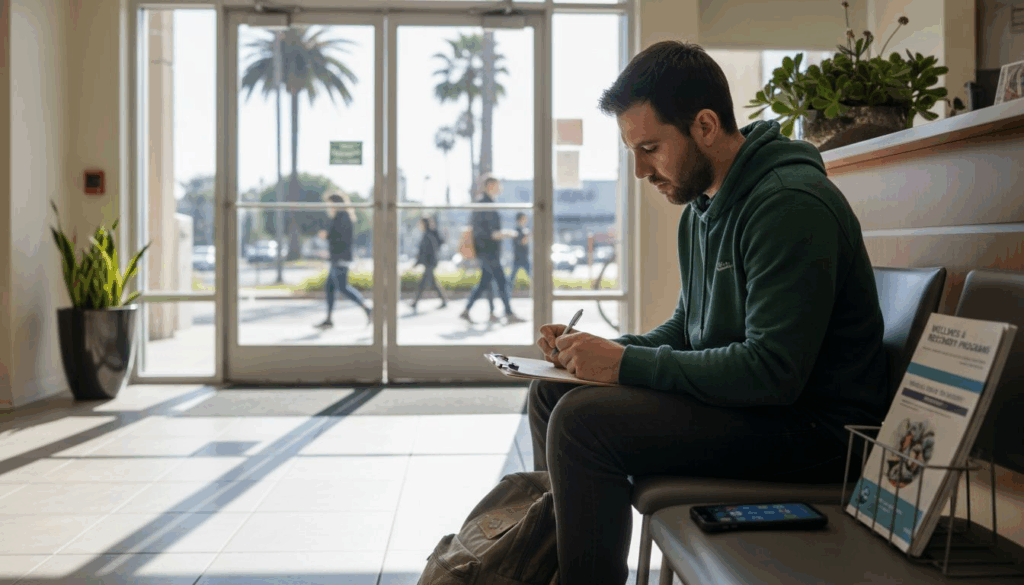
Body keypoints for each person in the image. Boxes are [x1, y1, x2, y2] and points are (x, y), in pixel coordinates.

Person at [527, 41, 888, 584]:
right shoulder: (702, 209)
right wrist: (596, 353)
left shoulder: (790, 204)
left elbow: (772, 371)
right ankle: (548, 566)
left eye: (650, 148)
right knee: (551, 392)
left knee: (582, 424)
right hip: (757, 411)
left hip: (815, 433)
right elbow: (687, 329)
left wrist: (623, 365)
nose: (639, 171)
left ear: (705, 125)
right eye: (632, 151)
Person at [460, 175, 526, 325]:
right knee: (501, 281)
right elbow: (484, 231)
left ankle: (467, 311)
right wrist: (504, 234)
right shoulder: (484, 204)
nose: (500, 188)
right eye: (497, 185)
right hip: (487, 250)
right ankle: (508, 313)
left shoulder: (487, 203)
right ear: (490, 185)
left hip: (489, 250)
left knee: (485, 282)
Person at [316, 190, 372, 329]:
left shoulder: (342, 217)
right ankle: (329, 319)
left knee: (342, 287)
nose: (328, 207)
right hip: (337, 257)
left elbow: (340, 239)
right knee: (330, 288)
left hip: (340, 258)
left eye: (330, 204)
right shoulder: (342, 217)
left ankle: (368, 309)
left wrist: (327, 236)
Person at [410, 216, 448, 311]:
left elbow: (424, 252)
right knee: (432, 283)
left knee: (423, 283)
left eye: (420, 223)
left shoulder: (428, 235)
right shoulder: (429, 234)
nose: (419, 225)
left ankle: (415, 302)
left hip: (430, 263)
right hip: (431, 262)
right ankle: (443, 301)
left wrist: (417, 263)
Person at [507, 212, 531, 287]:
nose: (526, 220)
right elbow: (522, 242)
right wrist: (527, 235)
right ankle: (507, 289)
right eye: (524, 218)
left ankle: (507, 289)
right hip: (519, 257)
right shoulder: (517, 231)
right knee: (512, 277)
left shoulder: (523, 230)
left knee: (513, 277)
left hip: (524, 257)